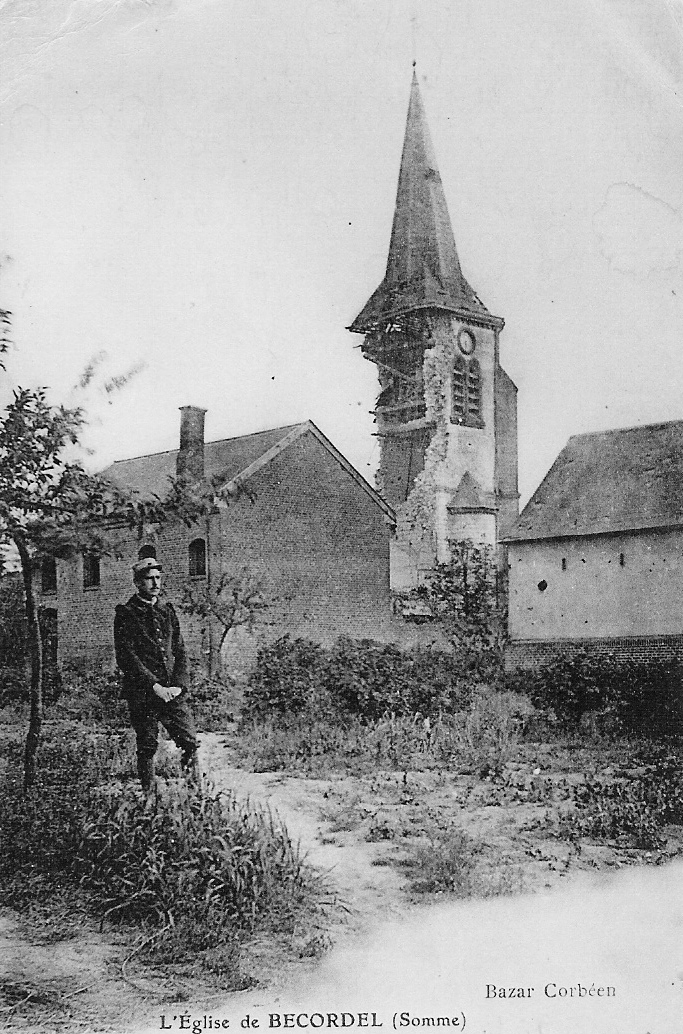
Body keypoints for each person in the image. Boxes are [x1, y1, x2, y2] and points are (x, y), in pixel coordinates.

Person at [114, 555, 199, 791]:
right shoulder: (127, 613)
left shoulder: (167, 610)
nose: (155, 583)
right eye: (149, 579)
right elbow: (127, 657)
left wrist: (179, 685)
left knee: (189, 741)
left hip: (173, 692)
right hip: (144, 693)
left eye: (158, 578)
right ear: (138, 583)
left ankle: (196, 795)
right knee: (148, 745)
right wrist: (155, 687)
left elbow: (180, 650)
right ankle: (149, 797)